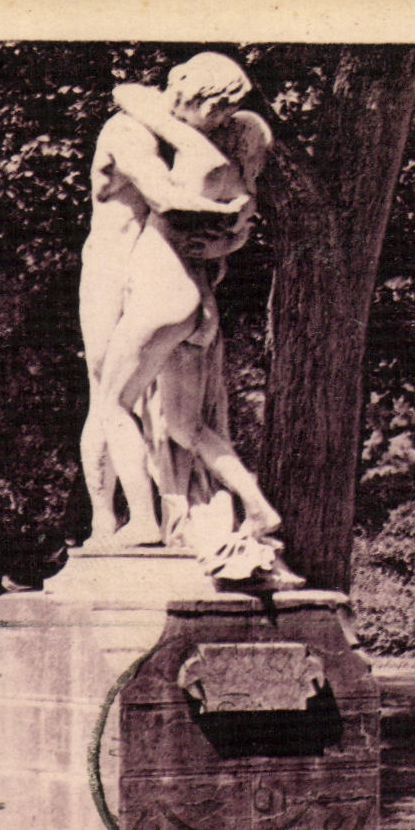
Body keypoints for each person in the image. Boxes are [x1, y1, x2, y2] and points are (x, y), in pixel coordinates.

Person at [77, 52, 282, 558]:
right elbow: (169, 202)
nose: (217, 122)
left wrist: (224, 240)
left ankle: (151, 520)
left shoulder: (190, 146)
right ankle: (111, 523)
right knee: (132, 407)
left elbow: (196, 227)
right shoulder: (131, 132)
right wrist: (229, 216)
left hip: (157, 283)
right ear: (188, 92)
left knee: (117, 405)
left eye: (224, 115)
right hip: (113, 273)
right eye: (213, 110)